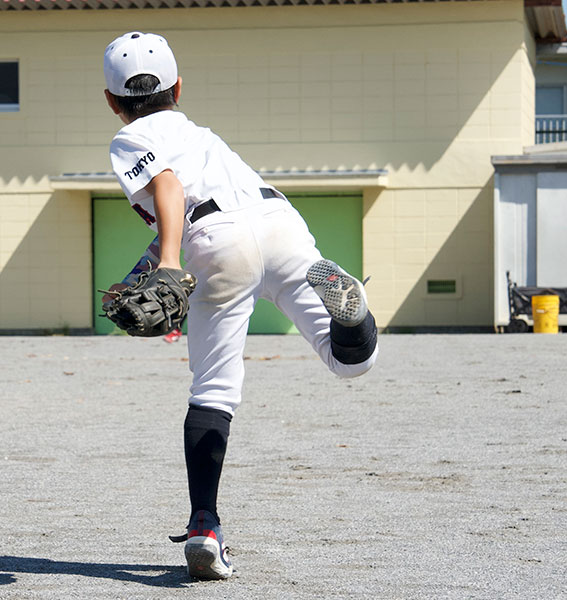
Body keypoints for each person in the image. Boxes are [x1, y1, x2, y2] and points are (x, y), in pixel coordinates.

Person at [102, 31, 379, 580]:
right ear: (178, 88)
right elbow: (181, 209)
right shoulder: (199, 134)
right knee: (350, 361)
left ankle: (204, 529)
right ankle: (353, 314)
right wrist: (140, 272)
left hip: (216, 242)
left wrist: (170, 264)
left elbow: (170, 191)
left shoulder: (130, 137)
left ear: (112, 101)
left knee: (214, 390)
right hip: (277, 221)